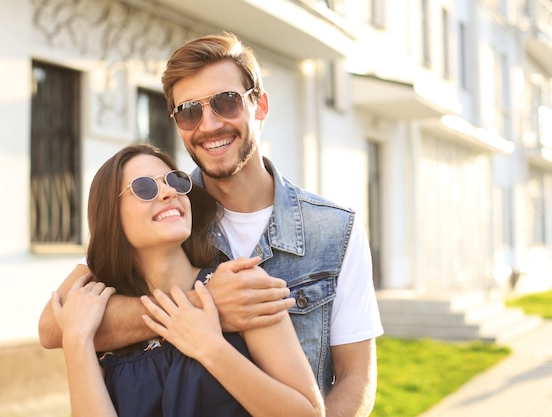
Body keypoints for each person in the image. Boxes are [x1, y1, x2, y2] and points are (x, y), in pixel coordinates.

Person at [39, 32, 383, 416]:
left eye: (226, 101)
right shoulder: (171, 218)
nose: (209, 124)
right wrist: (205, 303)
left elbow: (356, 377)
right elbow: (55, 328)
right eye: (188, 111)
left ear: (261, 106)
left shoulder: (334, 230)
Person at [50, 143, 325, 417]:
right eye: (145, 188)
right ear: (112, 216)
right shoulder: (97, 321)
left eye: (176, 181)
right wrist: (76, 343)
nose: (169, 192)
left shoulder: (240, 287)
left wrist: (211, 349)